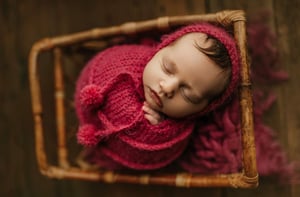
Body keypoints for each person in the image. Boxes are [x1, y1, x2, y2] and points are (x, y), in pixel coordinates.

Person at [74, 23, 240, 170]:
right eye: (167, 68)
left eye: (187, 94)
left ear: (203, 109)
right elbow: (108, 65)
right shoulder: (130, 61)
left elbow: (163, 148)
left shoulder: (179, 131)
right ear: (159, 49)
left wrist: (158, 130)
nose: (167, 88)